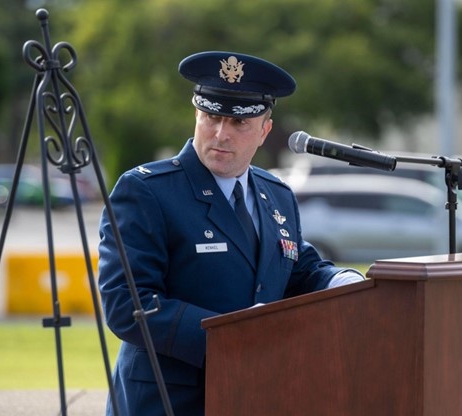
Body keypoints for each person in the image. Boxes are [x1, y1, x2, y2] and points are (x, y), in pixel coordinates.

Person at [97, 51, 364, 416]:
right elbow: (127, 303)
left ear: (264, 130)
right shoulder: (147, 191)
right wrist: (231, 337)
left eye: (238, 123)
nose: (221, 134)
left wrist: (343, 282)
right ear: (196, 115)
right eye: (211, 117)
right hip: (168, 402)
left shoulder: (277, 194)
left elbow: (296, 267)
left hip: (254, 395)